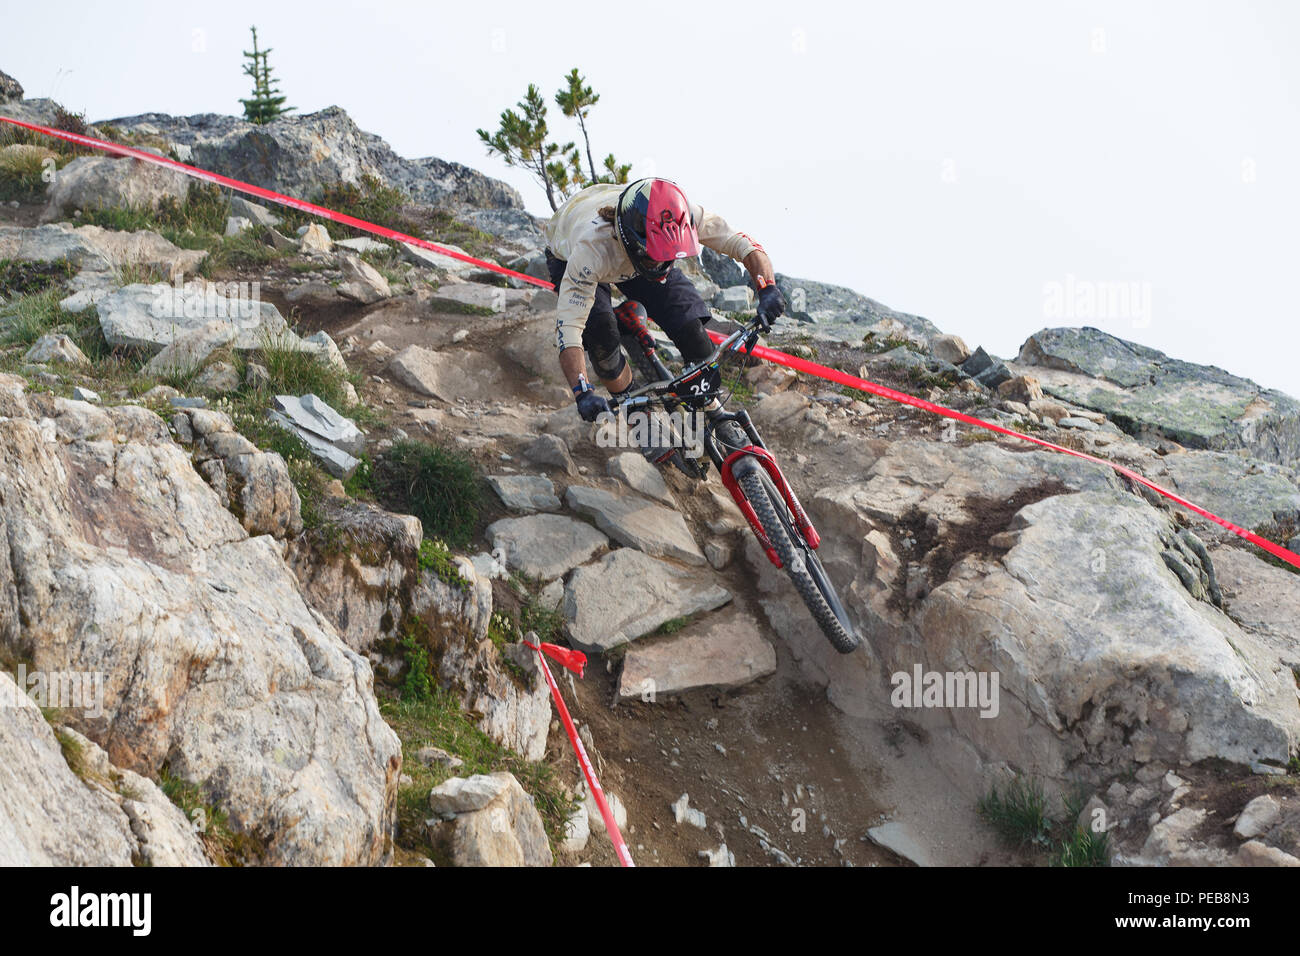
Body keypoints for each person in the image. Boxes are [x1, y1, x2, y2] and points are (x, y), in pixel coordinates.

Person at [544, 178, 786, 425]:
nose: (660, 264)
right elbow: (570, 328)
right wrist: (582, 392)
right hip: (570, 250)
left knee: (693, 331)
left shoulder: (679, 215)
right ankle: (641, 421)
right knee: (601, 337)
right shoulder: (590, 249)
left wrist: (767, 287)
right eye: (654, 258)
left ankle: (712, 416)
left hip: (637, 249)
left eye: (667, 256)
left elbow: (742, 243)